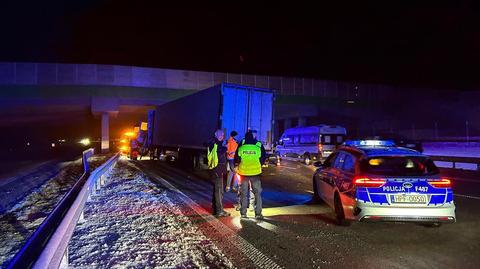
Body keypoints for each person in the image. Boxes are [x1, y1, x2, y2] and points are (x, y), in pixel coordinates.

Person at [235, 130, 267, 219]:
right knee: (257, 193)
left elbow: (237, 158)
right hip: (255, 173)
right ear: (253, 137)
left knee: (243, 194)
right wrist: (259, 164)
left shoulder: (242, 146)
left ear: (245, 138)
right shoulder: (258, 146)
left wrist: (237, 165)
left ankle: (243, 213)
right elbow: (263, 157)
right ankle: (258, 214)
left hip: (243, 173)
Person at [207, 129, 231, 217]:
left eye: (223, 135)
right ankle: (219, 211)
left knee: (217, 190)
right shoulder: (215, 144)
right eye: (220, 135)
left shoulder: (215, 143)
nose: (222, 137)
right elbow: (219, 152)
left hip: (217, 169)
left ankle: (215, 209)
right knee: (219, 191)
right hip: (216, 169)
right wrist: (225, 148)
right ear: (216, 135)